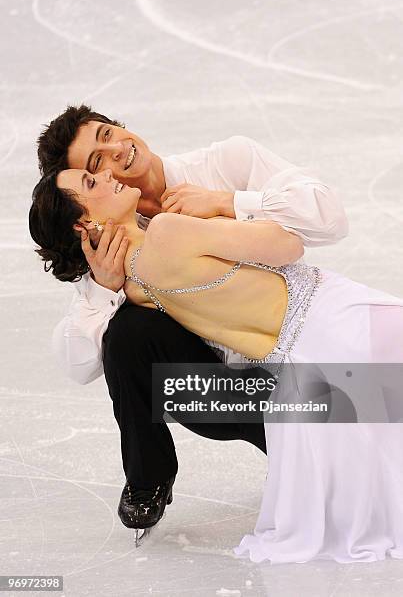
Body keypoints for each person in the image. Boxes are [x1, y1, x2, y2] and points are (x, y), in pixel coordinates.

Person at [29, 168, 403, 563]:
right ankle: (147, 479)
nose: (107, 173)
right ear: (84, 222)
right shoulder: (167, 230)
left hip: (295, 365)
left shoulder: (130, 288)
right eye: (91, 182)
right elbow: (288, 245)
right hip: (329, 319)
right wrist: (226, 207)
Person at [36, 105, 348, 537]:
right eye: (95, 166)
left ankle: (313, 447)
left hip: (301, 340)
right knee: (125, 333)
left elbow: (330, 218)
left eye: (109, 134)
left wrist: (228, 201)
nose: (116, 154)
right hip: (231, 393)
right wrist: (105, 290)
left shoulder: (223, 163)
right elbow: (76, 364)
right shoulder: (106, 248)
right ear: (83, 214)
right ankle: (150, 478)